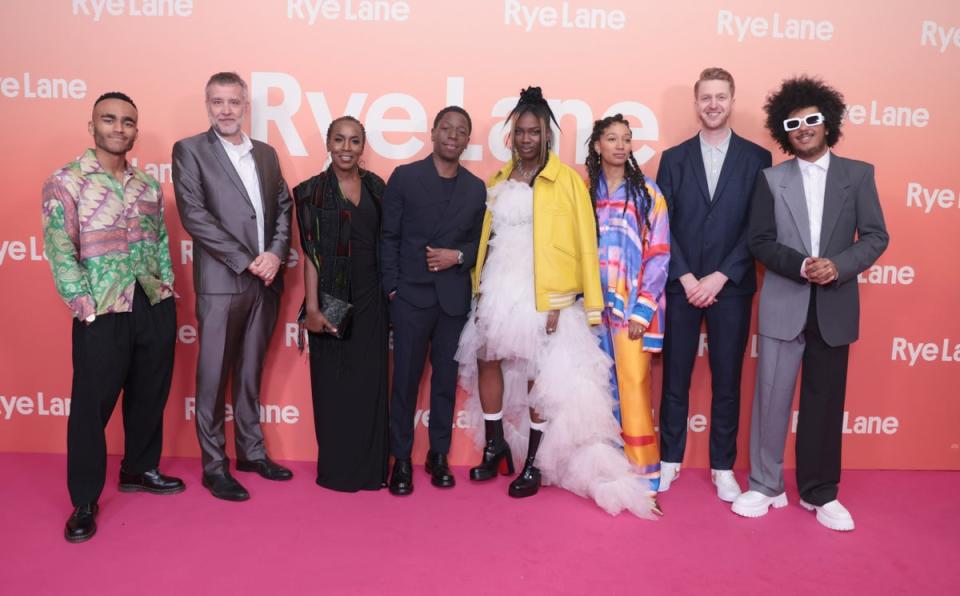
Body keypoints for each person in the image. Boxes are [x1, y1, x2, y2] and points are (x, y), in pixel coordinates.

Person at [456, 87, 655, 517]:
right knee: (486, 357)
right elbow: (488, 240)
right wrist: (479, 288)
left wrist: (575, 301)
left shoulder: (566, 180)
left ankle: (532, 462)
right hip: (498, 286)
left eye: (535, 132)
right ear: (511, 136)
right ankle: (495, 448)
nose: (527, 139)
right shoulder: (499, 178)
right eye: (521, 132)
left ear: (547, 136)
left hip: (546, 292)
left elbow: (585, 243)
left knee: (535, 372)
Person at [732, 76, 888, 531]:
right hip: (785, 302)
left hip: (835, 307)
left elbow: (876, 236)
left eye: (812, 119)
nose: (803, 128)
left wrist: (837, 266)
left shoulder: (858, 175)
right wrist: (802, 266)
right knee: (770, 399)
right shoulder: (771, 178)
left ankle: (821, 493)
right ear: (784, 131)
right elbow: (759, 240)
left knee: (824, 403)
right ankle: (765, 485)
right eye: (793, 122)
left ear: (828, 122)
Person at [42, 91, 183, 543]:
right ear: (93, 126)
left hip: (150, 303)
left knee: (148, 394)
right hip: (101, 309)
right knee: (90, 408)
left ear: (135, 130)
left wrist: (163, 290)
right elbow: (61, 251)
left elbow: (160, 240)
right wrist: (83, 306)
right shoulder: (66, 181)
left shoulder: (147, 185)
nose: (119, 128)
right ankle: (84, 500)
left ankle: (139, 469)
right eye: (109, 119)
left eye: (127, 122)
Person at [172, 72, 294, 501]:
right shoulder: (190, 150)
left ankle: (252, 452)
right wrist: (247, 260)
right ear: (208, 105)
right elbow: (194, 215)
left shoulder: (265, 153)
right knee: (212, 376)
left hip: (267, 278)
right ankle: (214, 466)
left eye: (233, 102)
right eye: (217, 102)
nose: (225, 110)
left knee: (248, 370)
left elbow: (282, 205)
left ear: (246, 105)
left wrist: (276, 254)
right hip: (224, 282)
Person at [655, 67, 772, 501]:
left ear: (732, 100)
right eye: (706, 97)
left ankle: (723, 467)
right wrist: (686, 277)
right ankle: (670, 461)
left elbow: (758, 229)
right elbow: (662, 225)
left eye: (721, 97)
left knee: (727, 381)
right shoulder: (674, 157)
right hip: (681, 286)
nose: (713, 105)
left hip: (731, 287)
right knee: (675, 380)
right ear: (696, 103)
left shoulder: (758, 159)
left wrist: (720, 276)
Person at [381, 107, 487, 495]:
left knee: (445, 381)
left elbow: (481, 243)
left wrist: (458, 256)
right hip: (410, 297)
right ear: (433, 132)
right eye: (447, 128)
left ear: (467, 139)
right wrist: (393, 290)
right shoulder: (406, 178)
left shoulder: (476, 188)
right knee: (405, 383)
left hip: (453, 301)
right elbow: (388, 237)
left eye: (461, 130)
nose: (453, 136)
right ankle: (402, 459)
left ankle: (438, 454)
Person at [293, 116, 389, 492]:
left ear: (362, 147)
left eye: (353, 141)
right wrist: (313, 310)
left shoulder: (378, 187)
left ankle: (370, 471)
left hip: (373, 298)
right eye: (339, 140)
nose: (346, 148)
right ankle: (336, 469)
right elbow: (310, 255)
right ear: (328, 144)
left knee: (370, 384)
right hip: (331, 300)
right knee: (333, 386)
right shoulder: (309, 192)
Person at [586, 114, 670, 510]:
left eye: (626, 139)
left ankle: (643, 477)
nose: (620, 145)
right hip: (590, 311)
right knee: (599, 392)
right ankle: (606, 470)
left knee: (634, 388)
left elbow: (658, 254)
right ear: (597, 145)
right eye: (611, 138)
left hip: (631, 312)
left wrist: (642, 309)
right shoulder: (584, 193)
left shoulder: (648, 194)